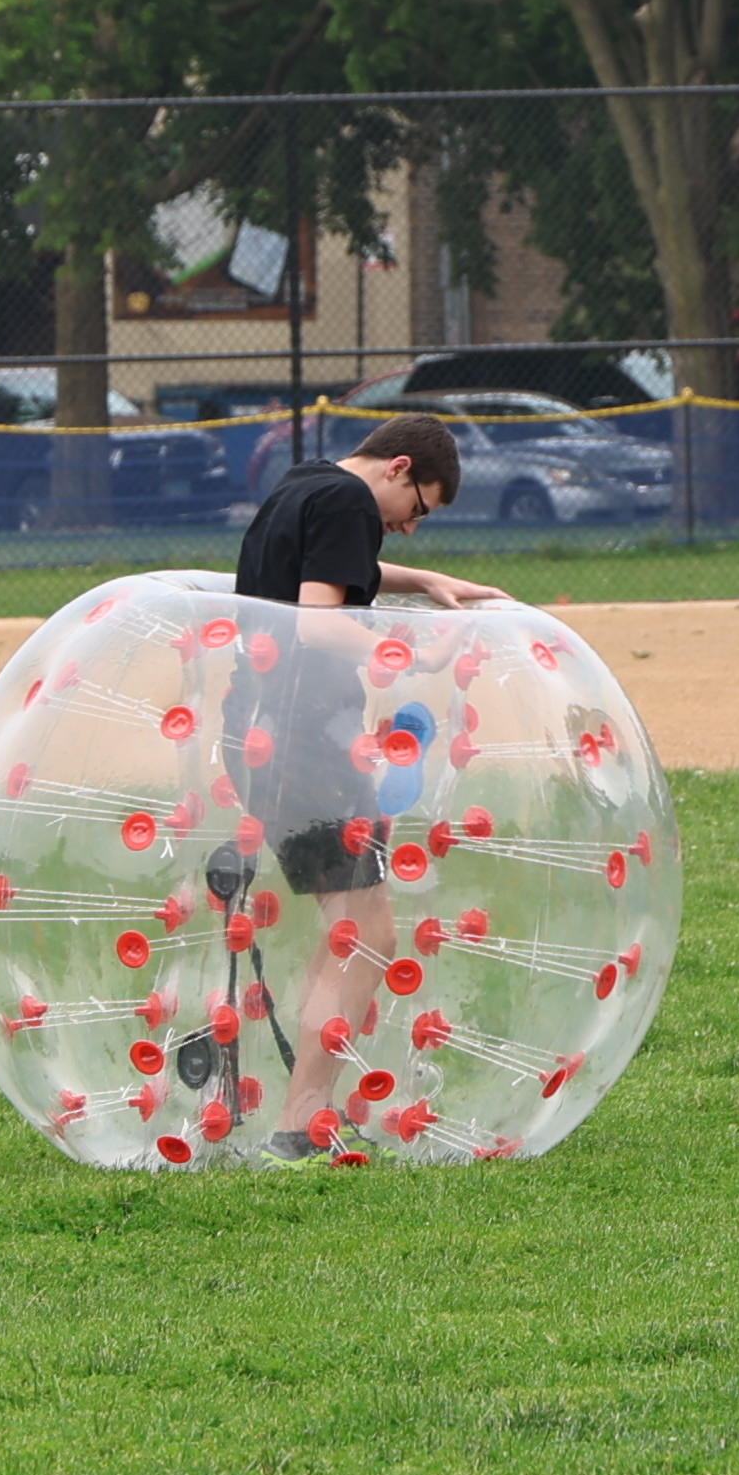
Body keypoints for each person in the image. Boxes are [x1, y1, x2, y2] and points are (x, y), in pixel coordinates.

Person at [193, 414, 507, 1153]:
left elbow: (324, 572)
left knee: (353, 925)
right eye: (419, 511)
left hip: (262, 735)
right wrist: (412, 653)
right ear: (399, 468)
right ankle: (299, 1124)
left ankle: (300, 1117)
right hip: (303, 743)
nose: (409, 529)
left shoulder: (308, 483)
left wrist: (423, 581)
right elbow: (319, 623)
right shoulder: (349, 504)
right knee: (368, 934)